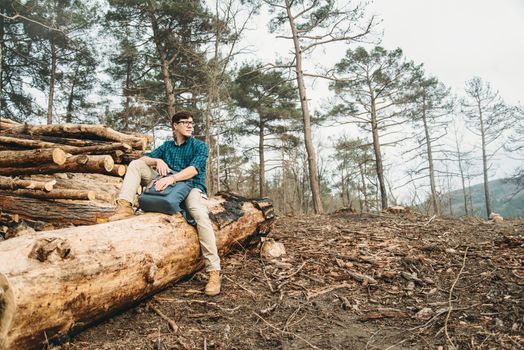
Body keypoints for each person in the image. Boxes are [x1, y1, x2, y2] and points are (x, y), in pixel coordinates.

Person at [109, 111, 221, 296]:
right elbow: (142, 159)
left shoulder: (199, 146)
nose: (190, 125)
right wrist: (157, 160)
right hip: (166, 186)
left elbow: (194, 170)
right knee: (136, 165)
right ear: (175, 126)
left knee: (200, 215)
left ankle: (214, 271)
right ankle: (124, 207)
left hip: (191, 187)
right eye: (185, 122)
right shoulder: (167, 146)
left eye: (191, 122)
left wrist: (172, 179)